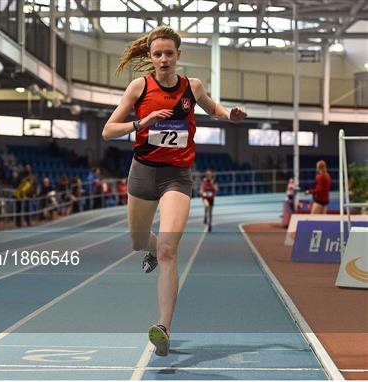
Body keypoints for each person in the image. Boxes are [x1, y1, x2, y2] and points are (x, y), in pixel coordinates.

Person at [102, 26, 246, 357]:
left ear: (178, 55)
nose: (164, 59)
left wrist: (231, 117)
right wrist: (143, 121)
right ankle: (149, 250)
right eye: (158, 54)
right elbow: (108, 131)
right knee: (139, 241)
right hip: (142, 174)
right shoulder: (139, 87)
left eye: (169, 53)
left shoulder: (191, 87)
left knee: (168, 249)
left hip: (177, 178)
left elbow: (215, 110)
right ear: (150, 57)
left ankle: (163, 327)